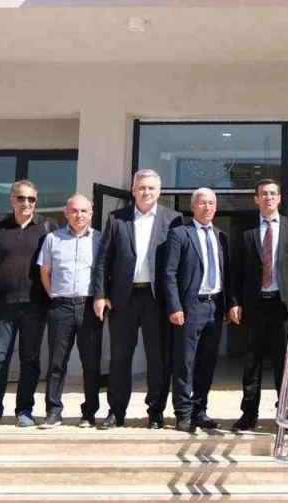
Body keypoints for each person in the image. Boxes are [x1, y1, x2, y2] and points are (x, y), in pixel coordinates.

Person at [92, 169, 182, 429]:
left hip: (157, 299)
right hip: (123, 298)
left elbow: (178, 263)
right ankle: (116, 411)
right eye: (141, 187)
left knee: (158, 358)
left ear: (159, 191)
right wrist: (101, 294)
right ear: (133, 190)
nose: (146, 192)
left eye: (151, 188)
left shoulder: (173, 219)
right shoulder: (117, 218)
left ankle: (155, 412)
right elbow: (103, 260)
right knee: (120, 357)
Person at [0, 180, 56, 429]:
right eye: (21, 198)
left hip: (35, 305)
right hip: (3, 305)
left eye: (31, 199)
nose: (26, 203)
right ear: (12, 200)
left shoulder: (47, 227)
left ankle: (24, 410)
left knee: (30, 360)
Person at [231, 179, 288, 431]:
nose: (268, 198)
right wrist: (234, 302)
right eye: (263, 194)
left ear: (280, 198)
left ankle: (285, 409)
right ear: (256, 199)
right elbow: (236, 271)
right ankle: (249, 413)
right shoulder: (246, 232)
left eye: (273, 193)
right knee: (252, 361)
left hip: (283, 306)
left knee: (284, 361)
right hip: (254, 304)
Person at [161, 187, 229, 433]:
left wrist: (227, 305)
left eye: (211, 203)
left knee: (207, 363)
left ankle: (200, 411)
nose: (207, 207)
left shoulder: (220, 236)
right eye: (202, 203)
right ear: (192, 207)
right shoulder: (180, 234)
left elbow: (226, 272)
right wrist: (175, 306)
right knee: (185, 363)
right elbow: (169, 273)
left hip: (214, 306)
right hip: (189, 308)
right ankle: (183, 413)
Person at [37, 194, 103, 428]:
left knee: (91, 363)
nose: (79, 215)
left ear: (91, 214)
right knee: (56, 363)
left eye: (84, 211)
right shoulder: (52, 239)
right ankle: (53, 412)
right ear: (66, 213)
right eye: (74, 210)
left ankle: (89, 413)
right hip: (60, 307)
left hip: (89, 307)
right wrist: (56, 296)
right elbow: (45, 273)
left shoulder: (100, 239)